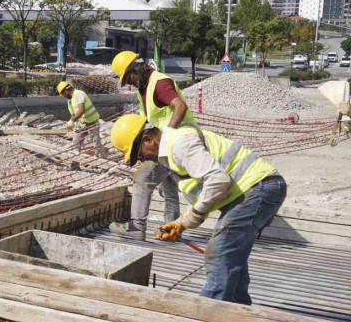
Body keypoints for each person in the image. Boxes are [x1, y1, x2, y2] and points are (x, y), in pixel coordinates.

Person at [109, 114, 286, 304]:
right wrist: (180, 223)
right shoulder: (173, 151)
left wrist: (193, 216)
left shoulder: (180, 145)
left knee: (220, 251)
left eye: (140, 154)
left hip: (258, 188)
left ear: (148, 139)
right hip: (258, 189)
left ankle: (208, 314)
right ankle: (238, 309)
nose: (142, 160)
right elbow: (207, 191)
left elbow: (218, 181)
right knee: (232, 255)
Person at [108, 51, 197, 240]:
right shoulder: (145, 87)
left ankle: (136, 229)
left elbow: (180, 107)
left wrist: (167, 138)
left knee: (142, 179)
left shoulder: (159, 83)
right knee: (170, 186)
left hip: (170, 141)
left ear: (136, 69)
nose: (129, 83)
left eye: (128, 78)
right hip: (166, 143)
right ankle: (171, 228)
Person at [58, 81, 104, 156]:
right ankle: (75, 162)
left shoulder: (78, 94)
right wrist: (71, 122)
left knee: (95, 140)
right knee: (76, 142)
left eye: (63, 94)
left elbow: (81, 110)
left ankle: (100, 158)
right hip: (81, 123)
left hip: (92, 121)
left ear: (66, 90)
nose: (64, 96)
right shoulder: (70, 100)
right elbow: (73, 113)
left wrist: (72, 121)